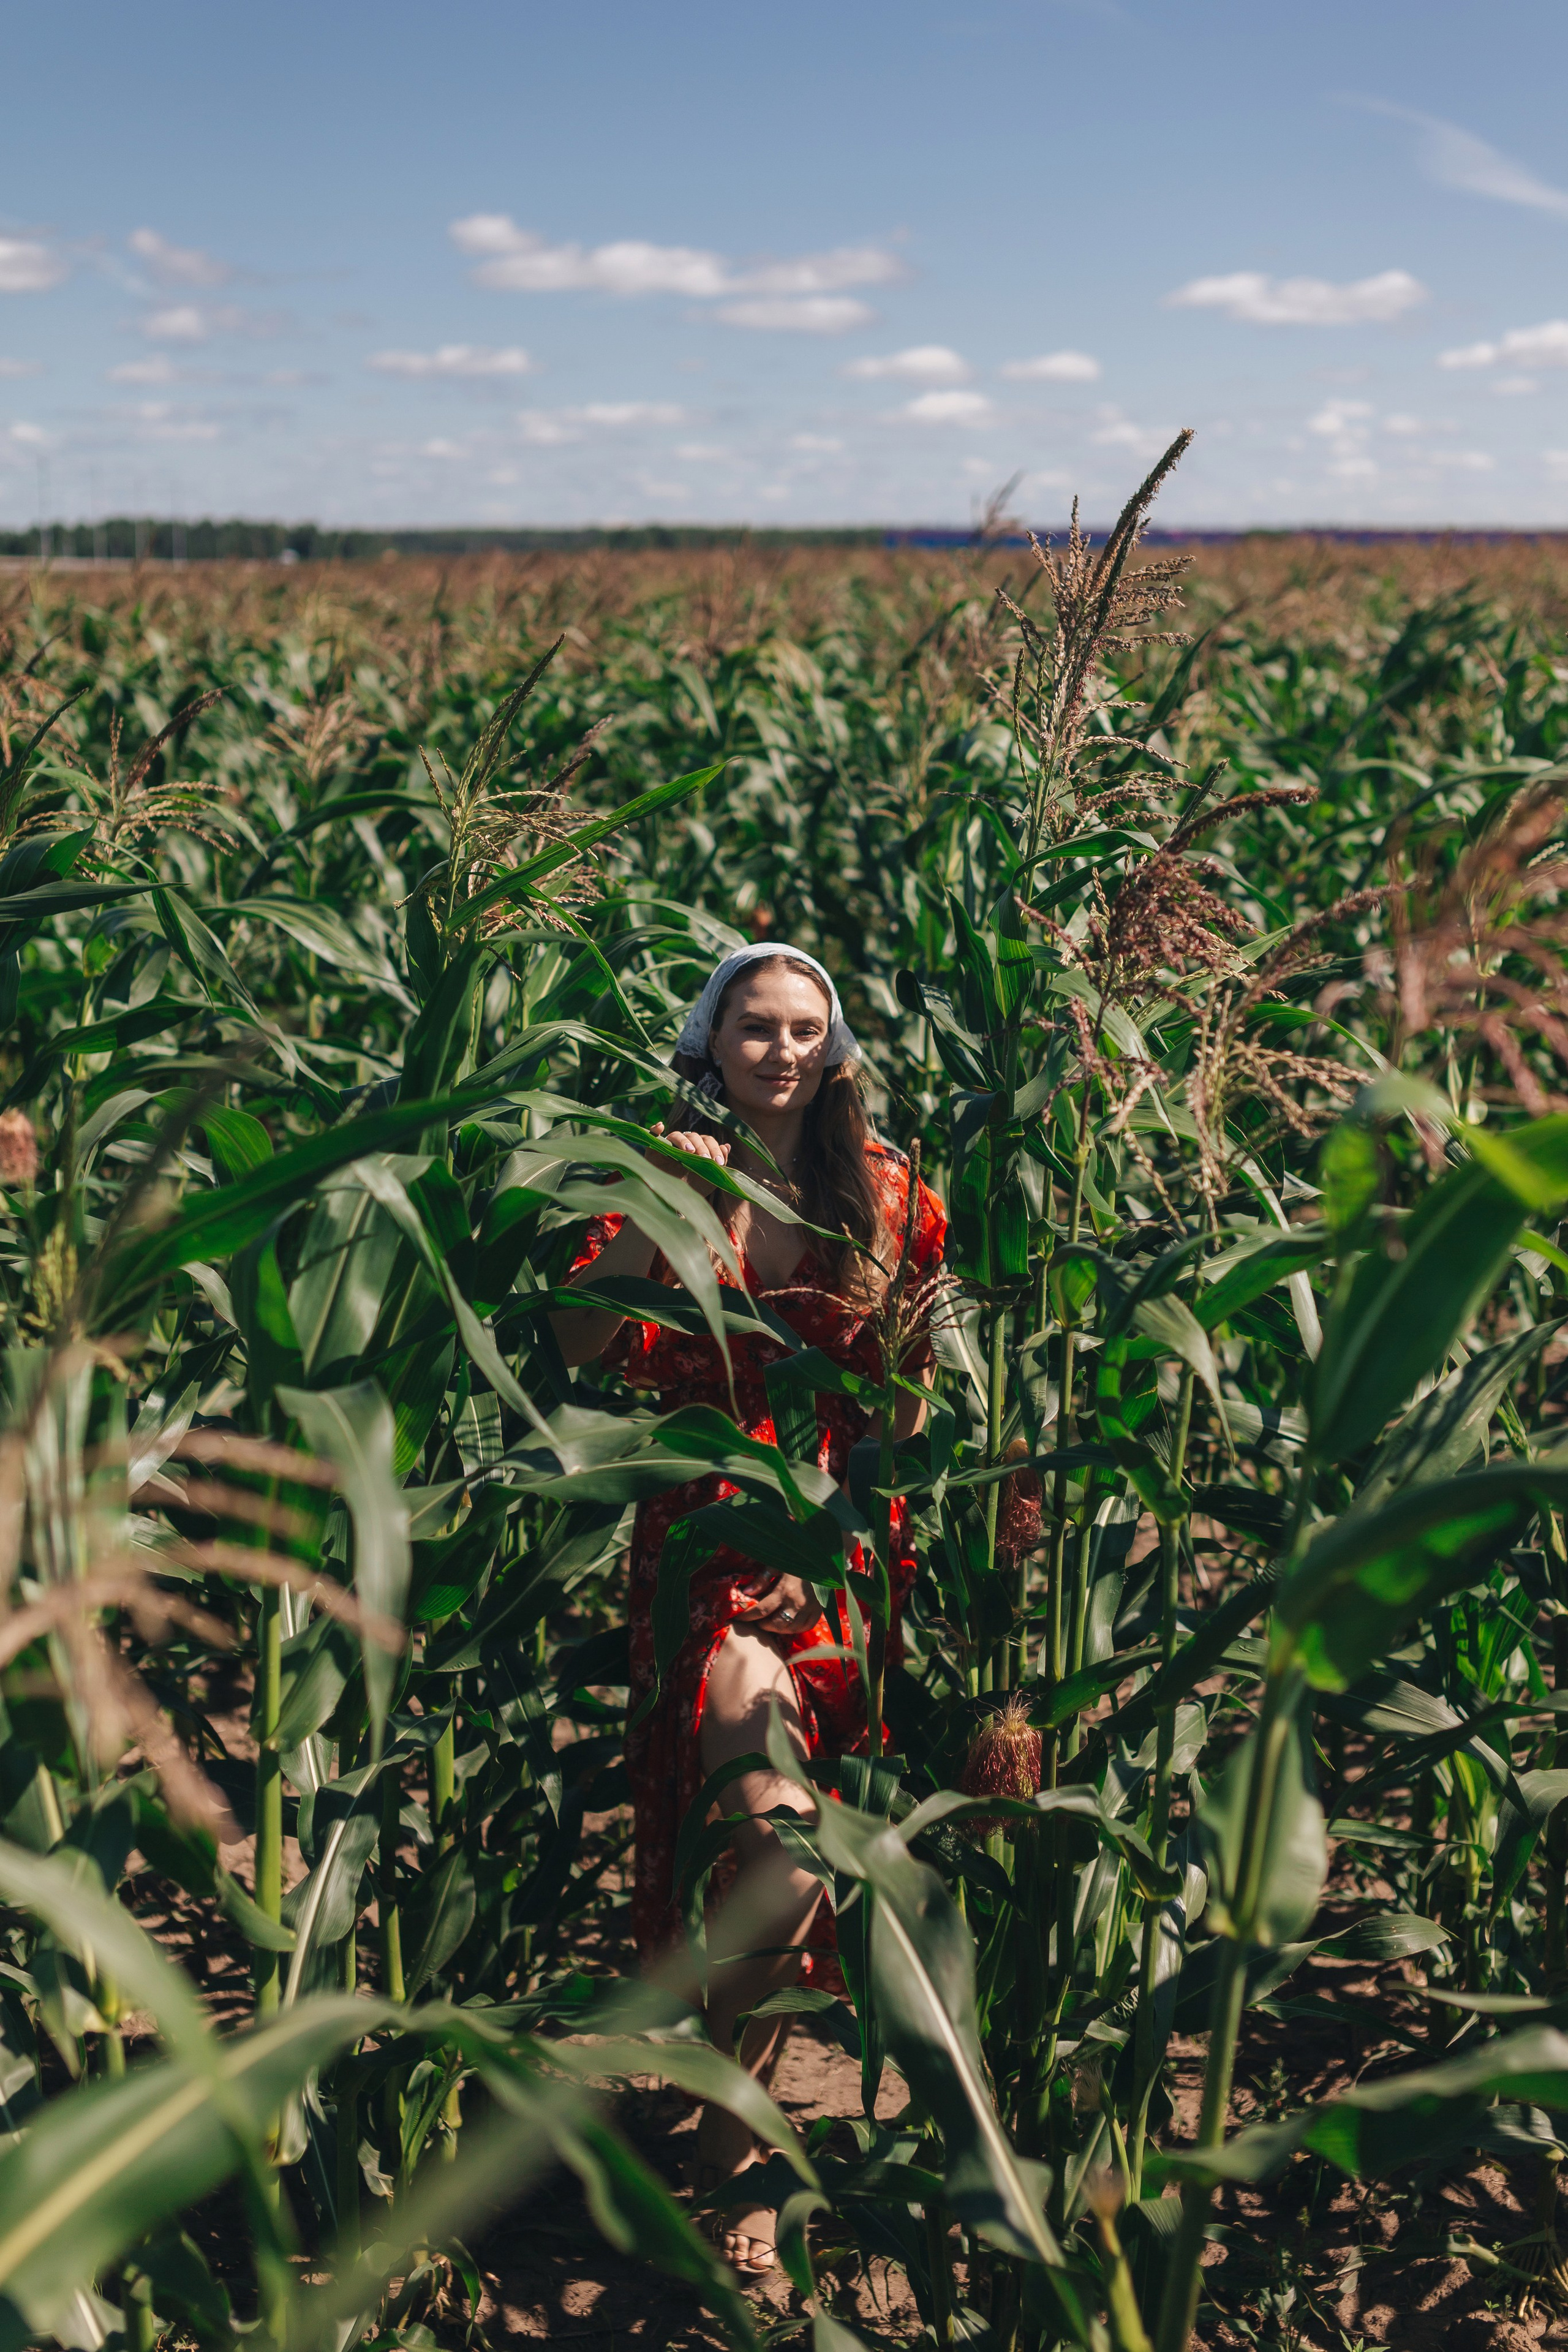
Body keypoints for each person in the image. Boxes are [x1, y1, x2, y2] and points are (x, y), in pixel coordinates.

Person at [551, 943, 945, 2277]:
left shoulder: (890, 1194)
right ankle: (739, 2171)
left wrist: (833, 1538)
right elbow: (579, 1346)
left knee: (779, 1859)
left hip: (840, 1545)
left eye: (804, 1030)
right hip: (704, 1536)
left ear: (834, 1050)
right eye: (756, 1028)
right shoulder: (664, 1175)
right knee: (777, 1848)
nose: (782, 1051)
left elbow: (901, 1413)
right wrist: (662, 1201)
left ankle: (725, 2115)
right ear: (709, 1044)